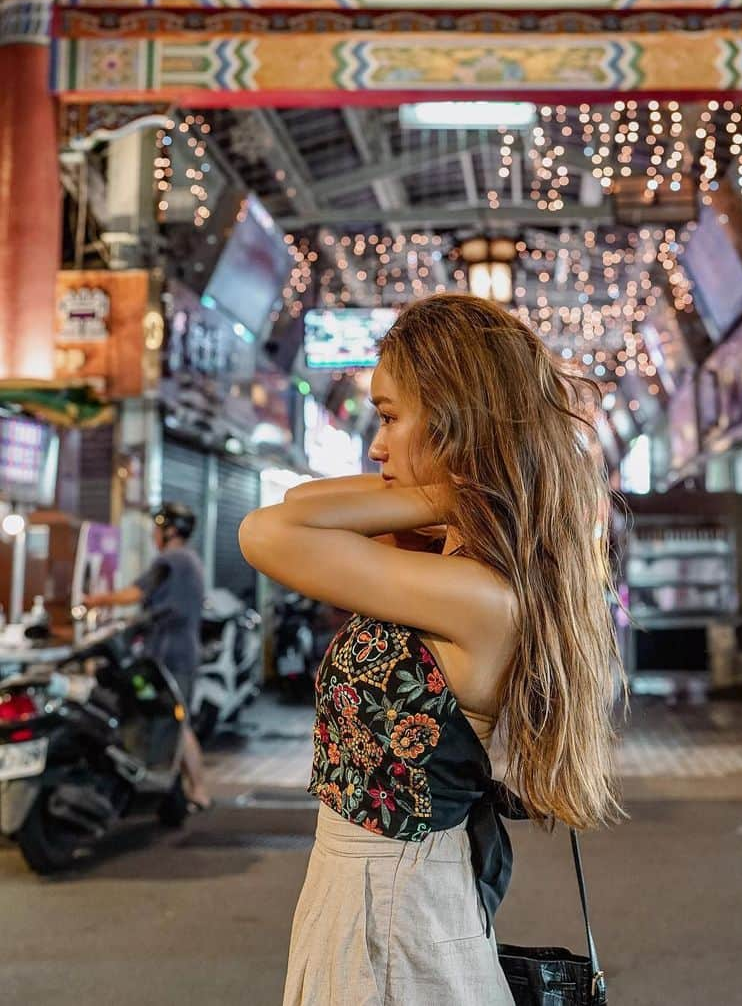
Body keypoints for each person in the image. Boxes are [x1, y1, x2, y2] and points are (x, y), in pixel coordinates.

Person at [239, 293, 624, 1006]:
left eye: (390, 416)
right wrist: (456, 491)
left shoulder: (477, 593)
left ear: (457, 424)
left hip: (394, 911)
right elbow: (297, 505)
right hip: (367, 899)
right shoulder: (441, 561)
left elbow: (264, 532)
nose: (376, 444)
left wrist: (452, 489)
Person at [83, 501, 212, 812]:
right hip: (178, 651)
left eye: (156, 529)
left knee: (176, 721)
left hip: (171, 655)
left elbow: (136, 593)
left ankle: (199, 791)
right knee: (174, 720)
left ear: (168, 531)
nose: (153, 536)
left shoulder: (172, 560)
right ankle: (179, 789)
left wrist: (96, 599)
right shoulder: (189, 561)